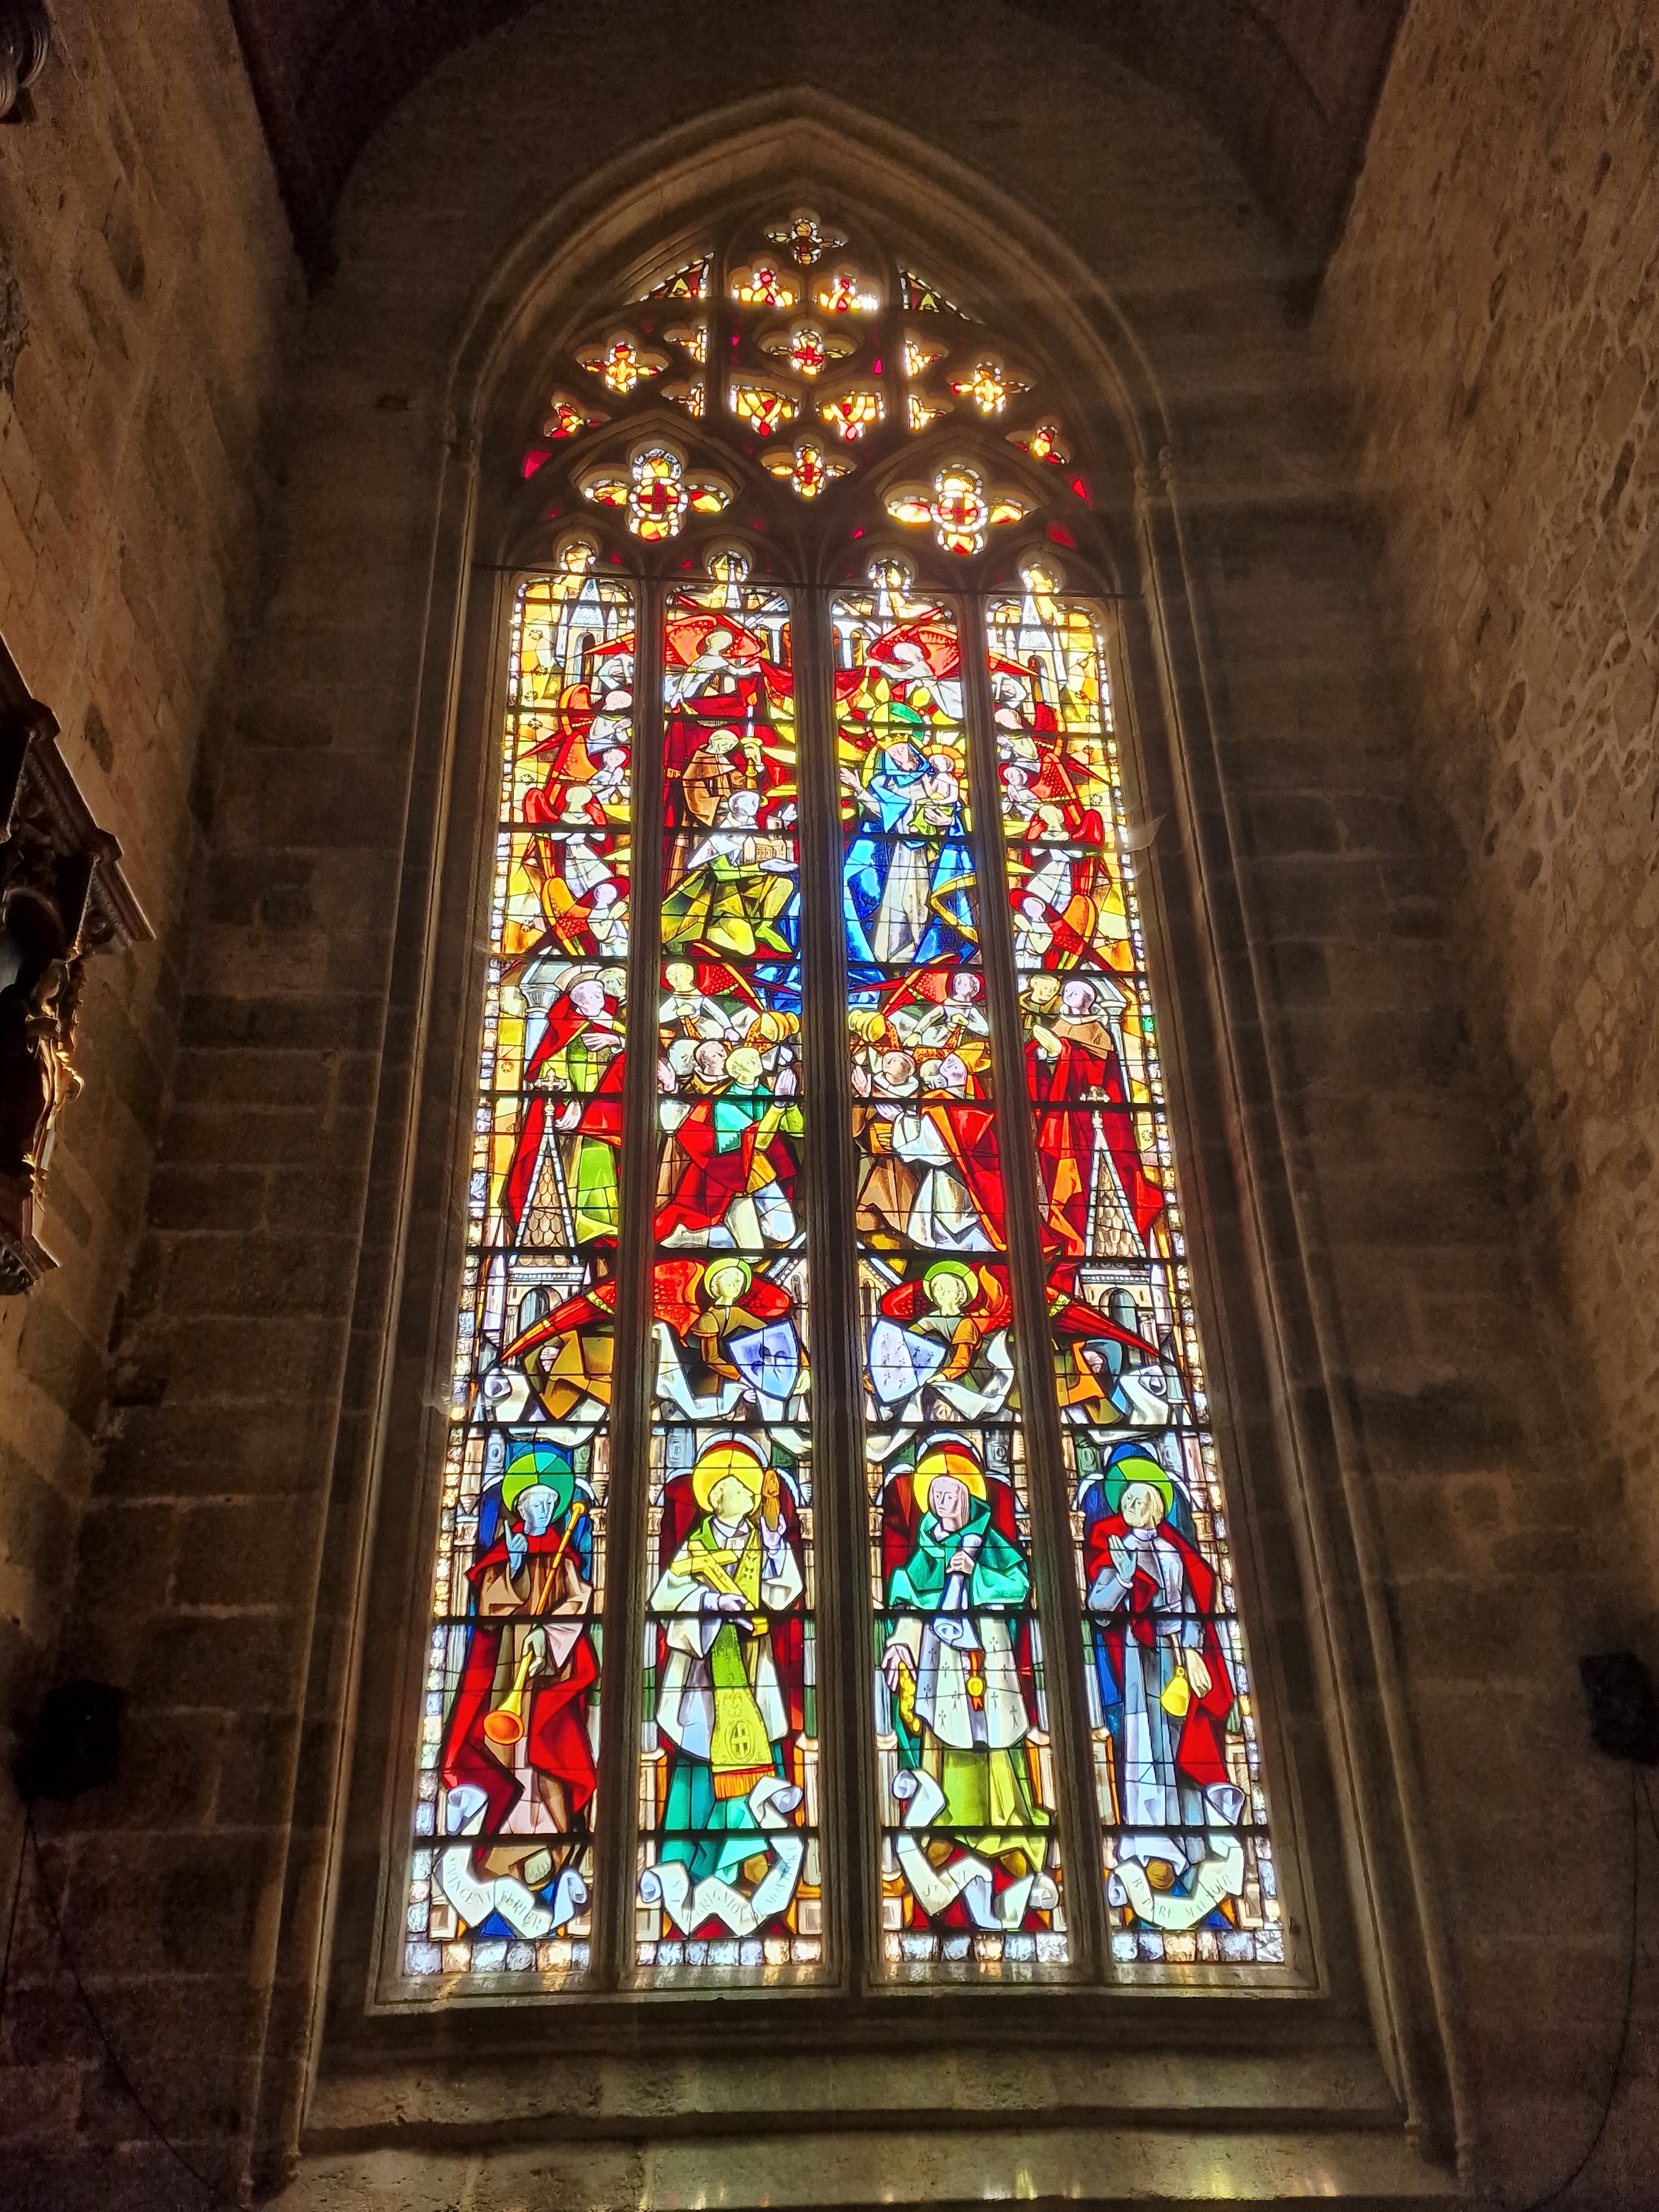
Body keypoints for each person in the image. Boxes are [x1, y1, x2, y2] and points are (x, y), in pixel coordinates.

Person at [645, 1437, 807, 1935]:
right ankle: (692, 1867)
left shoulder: (760, 1539)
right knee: (699, 1767)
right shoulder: (696, 1546)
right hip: (703, 1679)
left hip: (753, 1670)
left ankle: (750, 1861)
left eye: (754, 1492)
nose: (751, 1497)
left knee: (755, 1760)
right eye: (742, 1490)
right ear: (718, 1496)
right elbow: (665, 1597)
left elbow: (785, 1589)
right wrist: (712, 1605)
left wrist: (775, 1536)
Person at [879, 1438, 1048, 1862]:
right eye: (936, 1494)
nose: (943, 1502)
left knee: (994, 1732)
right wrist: (901, 1643)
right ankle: (945, 1823)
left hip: (987, 1651)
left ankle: (1005, 1823)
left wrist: (977, 1574)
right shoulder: (927, 1546)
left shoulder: (987, 1540)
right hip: (944, 1659)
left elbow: (1020, 1585)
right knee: (946, 1729)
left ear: (967, 1494)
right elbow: (911, 1598)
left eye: (950, 1493)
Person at [1080, 1444, 1238, 1891]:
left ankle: (1191, 1841)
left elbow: (1191, 1604)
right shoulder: (1119, 1550)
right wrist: (1123, 1577)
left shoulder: (1173, 1551)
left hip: (1175, 1657)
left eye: (1139, 1499)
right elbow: (1099, 1609)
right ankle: (1151, 1843)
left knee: (1178, 1739)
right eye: (1126, 1500)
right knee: (1145, 1745)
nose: (1132, 1507)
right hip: (1139, 1657)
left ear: (1156, 1505)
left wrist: (1192, 1650)